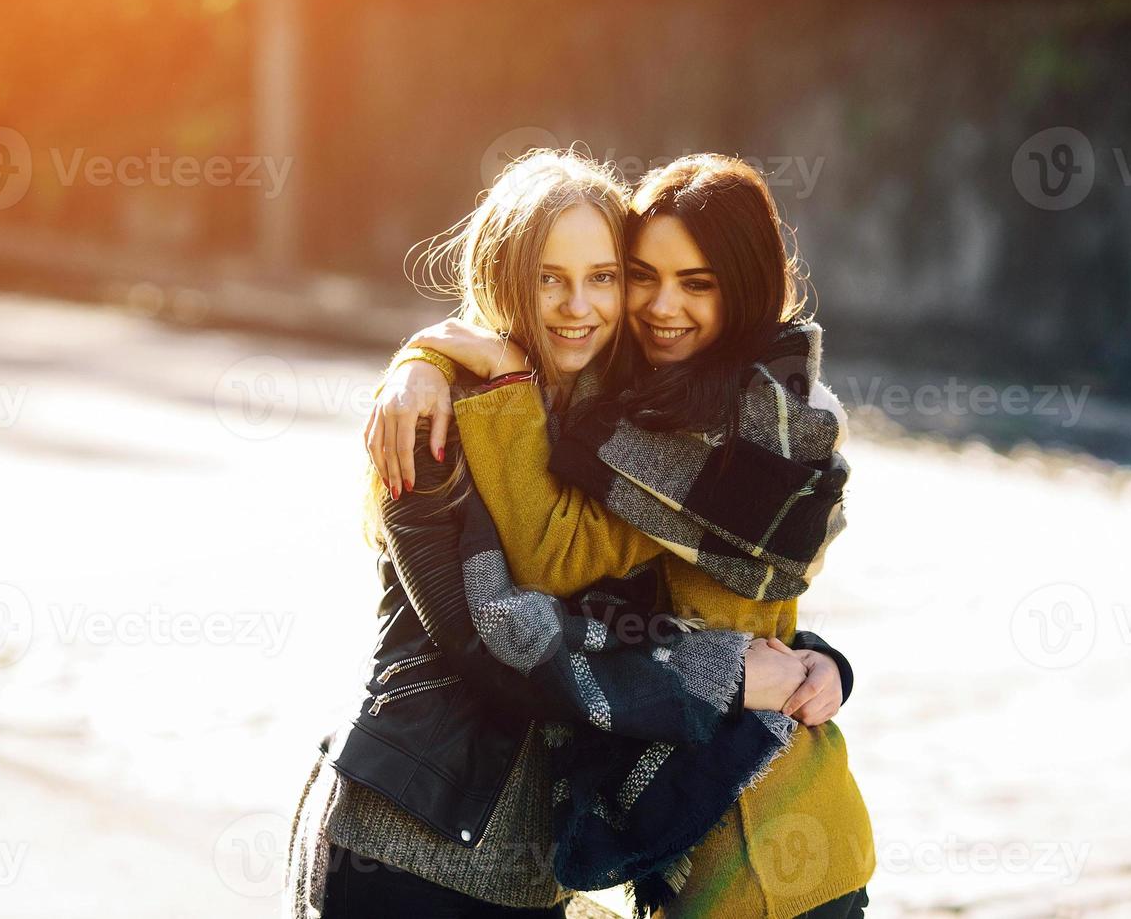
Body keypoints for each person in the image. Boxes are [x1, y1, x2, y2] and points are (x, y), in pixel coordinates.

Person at [287, 151, 848, 919]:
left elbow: (658, 611)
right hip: (402, 848)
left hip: (530, 877)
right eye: (549, 277)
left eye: (605, 276)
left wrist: (817, 661)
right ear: (506, 275)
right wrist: (425, 361)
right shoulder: (436, 416)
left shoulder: (618, 435)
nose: (576, 305)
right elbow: (495, 640)